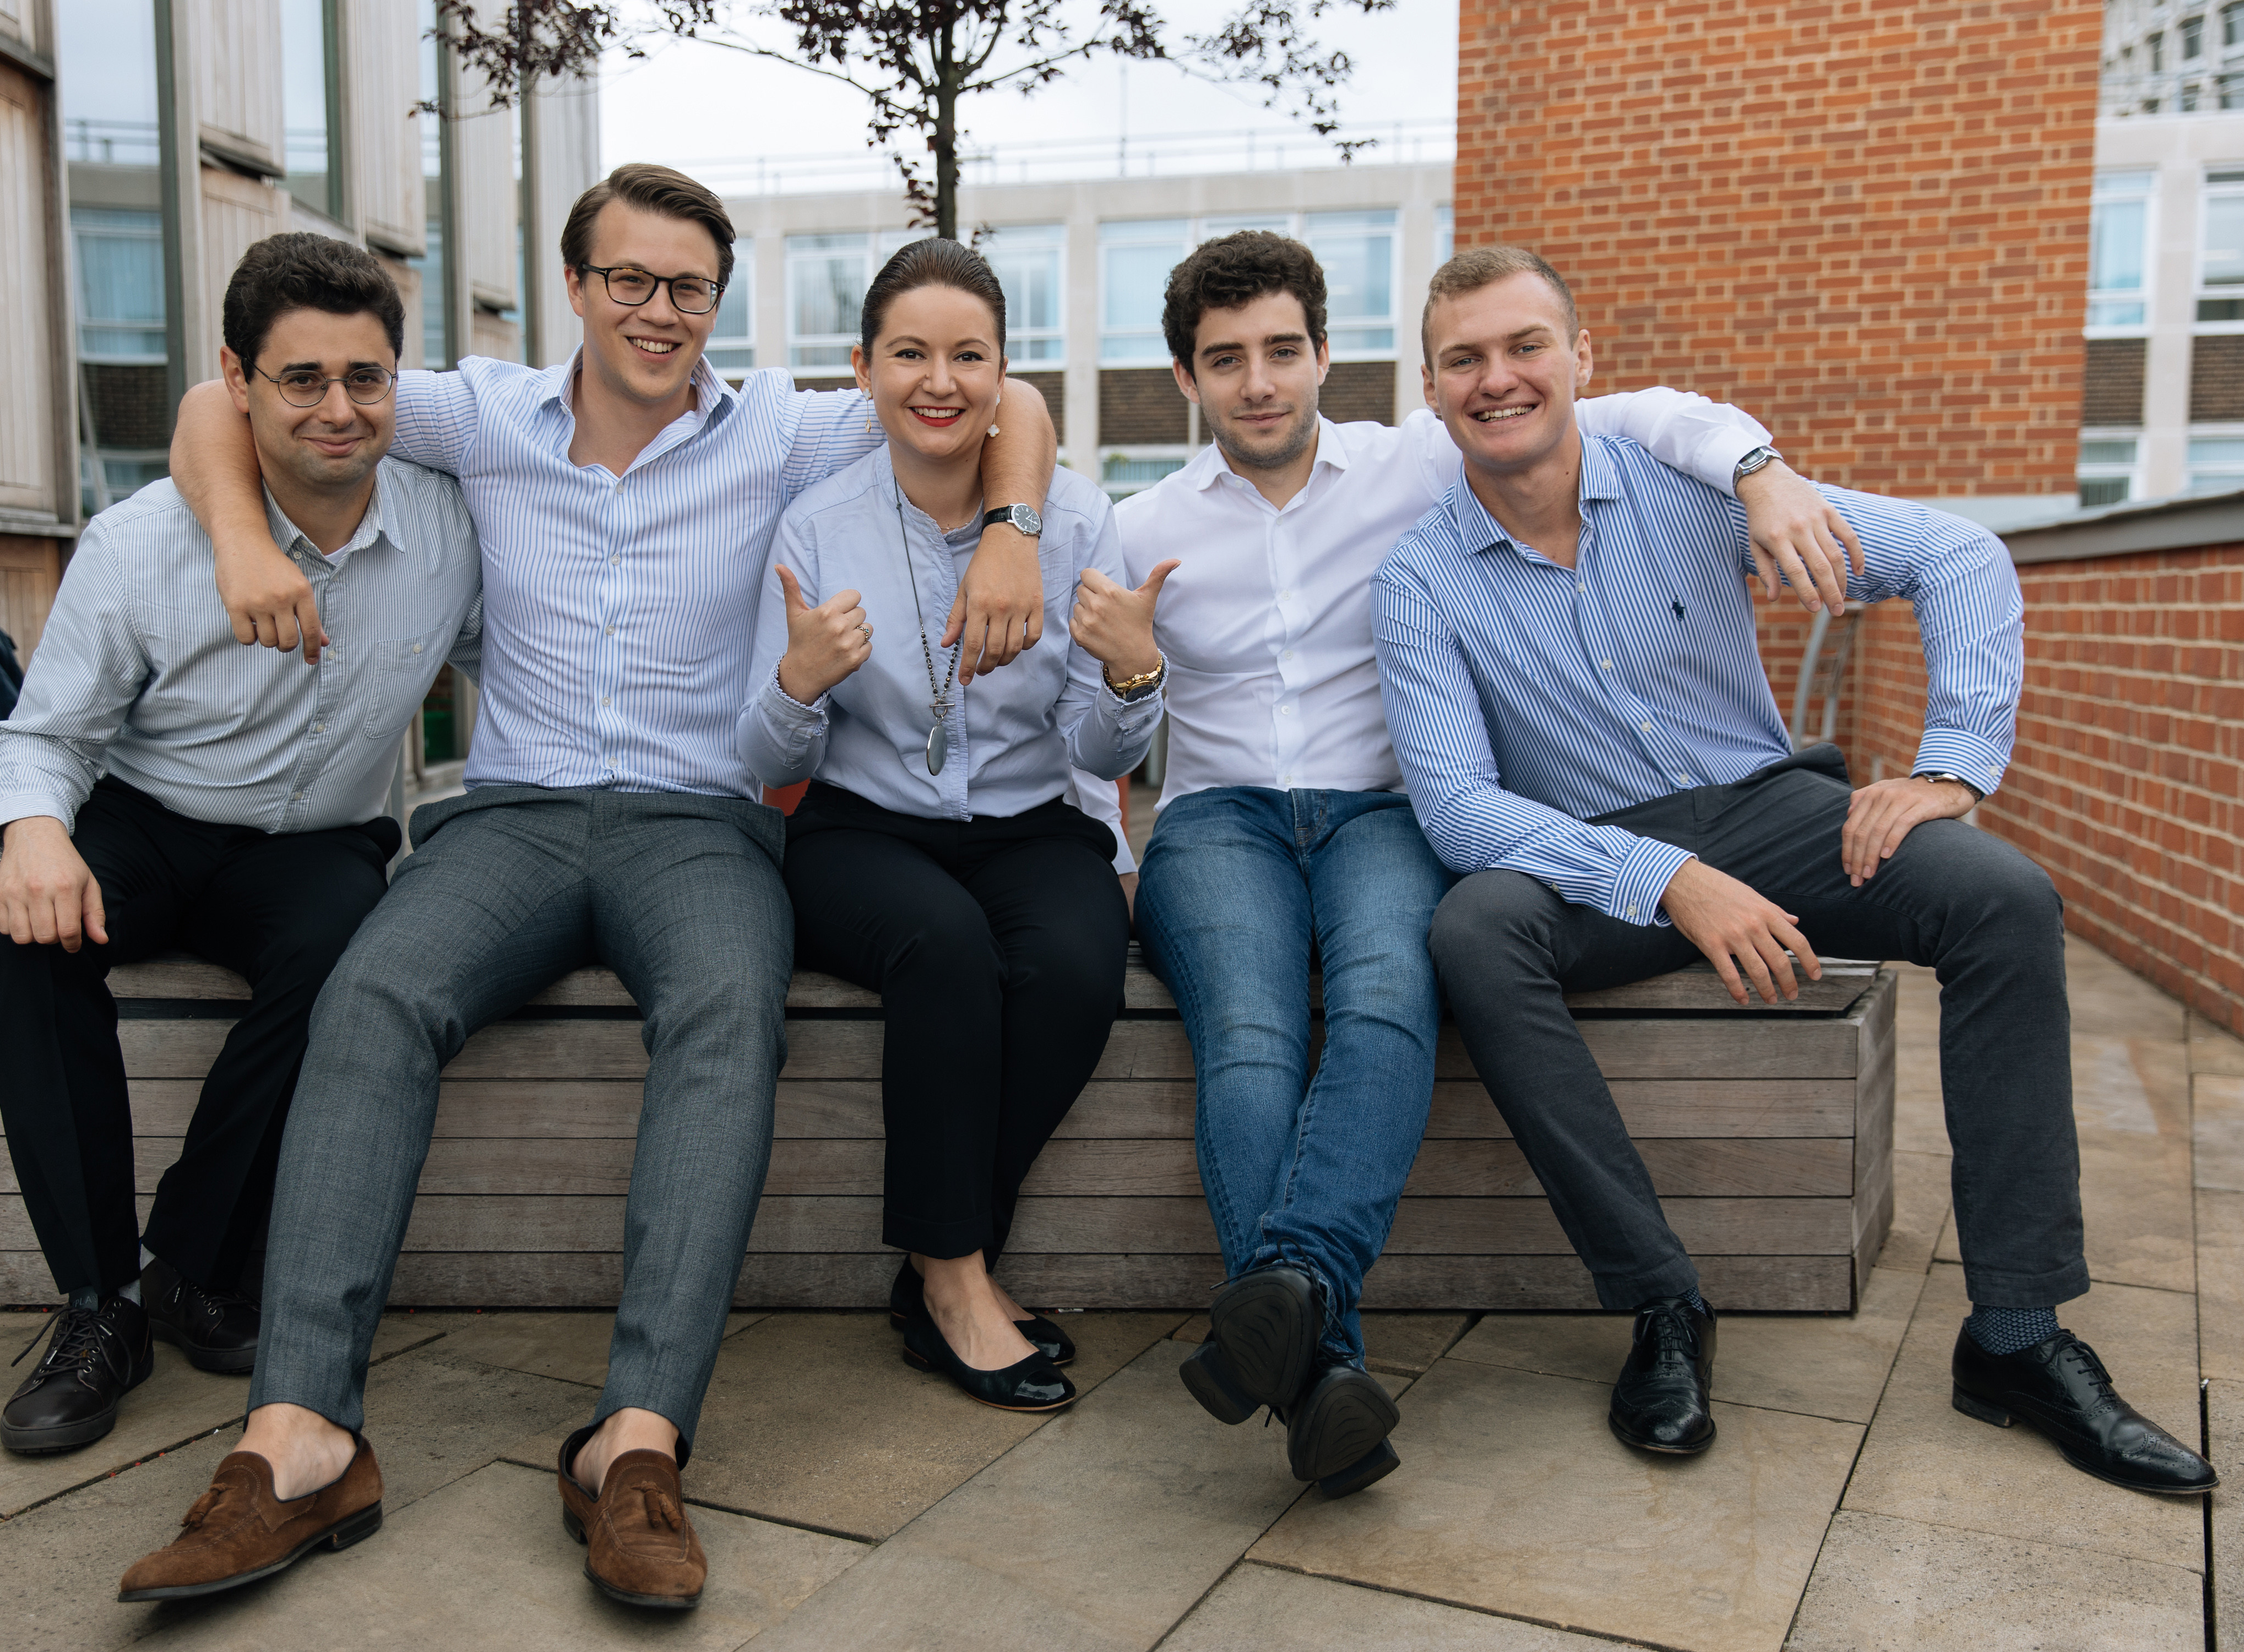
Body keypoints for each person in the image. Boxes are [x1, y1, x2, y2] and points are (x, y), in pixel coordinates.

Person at [117, 165, 1064, 1613]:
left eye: (688, 284)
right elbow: (216, 400)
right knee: (370, 991)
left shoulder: (776, 431)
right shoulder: (482, 415)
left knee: (731, 1011)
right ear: (575, 286)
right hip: (514, 817)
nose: (658, 309)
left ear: (717, 301)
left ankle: (633, 1443)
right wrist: (244, 539)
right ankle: (300, 1436)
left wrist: (1012, 532)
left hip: (697, 823)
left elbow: (1005, 402)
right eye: (628, 278)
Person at [1373, 243, 2215, 1495]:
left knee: (2006, 901)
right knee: (1471, 930)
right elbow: (1454, 805)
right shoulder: (1419, 579)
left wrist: (1950, 769)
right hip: (1591, 859)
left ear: (1580, 361)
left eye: (1523, 346)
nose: (1498, 379)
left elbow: (1963, 559)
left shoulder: (1692, 488)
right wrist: (1663, 876)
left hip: (1770, 809)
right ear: (1432, 391)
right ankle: (1663, 1306)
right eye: (1465, 360)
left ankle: (2020, 1340)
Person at [1117, 230, 1860, 1497]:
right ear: (1186, 379)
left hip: (1385, 812)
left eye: (1281, 352)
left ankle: (1295, 1332)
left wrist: (1759, 469)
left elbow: (1636, 410)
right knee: (1247, 1034)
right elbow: (1107, 743)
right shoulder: (1140, 525)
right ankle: (1322, 1361)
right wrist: (1131, 671)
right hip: (1219, 817)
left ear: (1322, 357)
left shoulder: (1416, 457)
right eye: (1224, 360)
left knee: (1389, 999)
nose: (1258, 383)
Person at [0, 234, 480, 1457]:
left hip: (316, 842)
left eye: (366, 378)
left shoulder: (453, 529)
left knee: (354, 951)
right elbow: (46, 733)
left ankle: (191, 1269)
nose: (339, 409)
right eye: (301, 378)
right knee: (22, 941)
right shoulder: (145, 544)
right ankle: (99, 1308)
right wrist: (32, 833)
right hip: (147, 817)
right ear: (236, 382)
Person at [738, 239, 1167, 1414]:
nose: (941, 380)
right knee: (944, 947)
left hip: (1032, 823)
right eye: (911, 353)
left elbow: (1094, 754)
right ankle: (957, 1285)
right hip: (857, 829)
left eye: (969, 355)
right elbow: (766, 755)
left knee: (1080, 968)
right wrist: (799, 686)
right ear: (863, 369)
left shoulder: (1073, 519)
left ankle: (943, 1254)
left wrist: (1133, 683)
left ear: (1001, 374)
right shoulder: (818, 524)